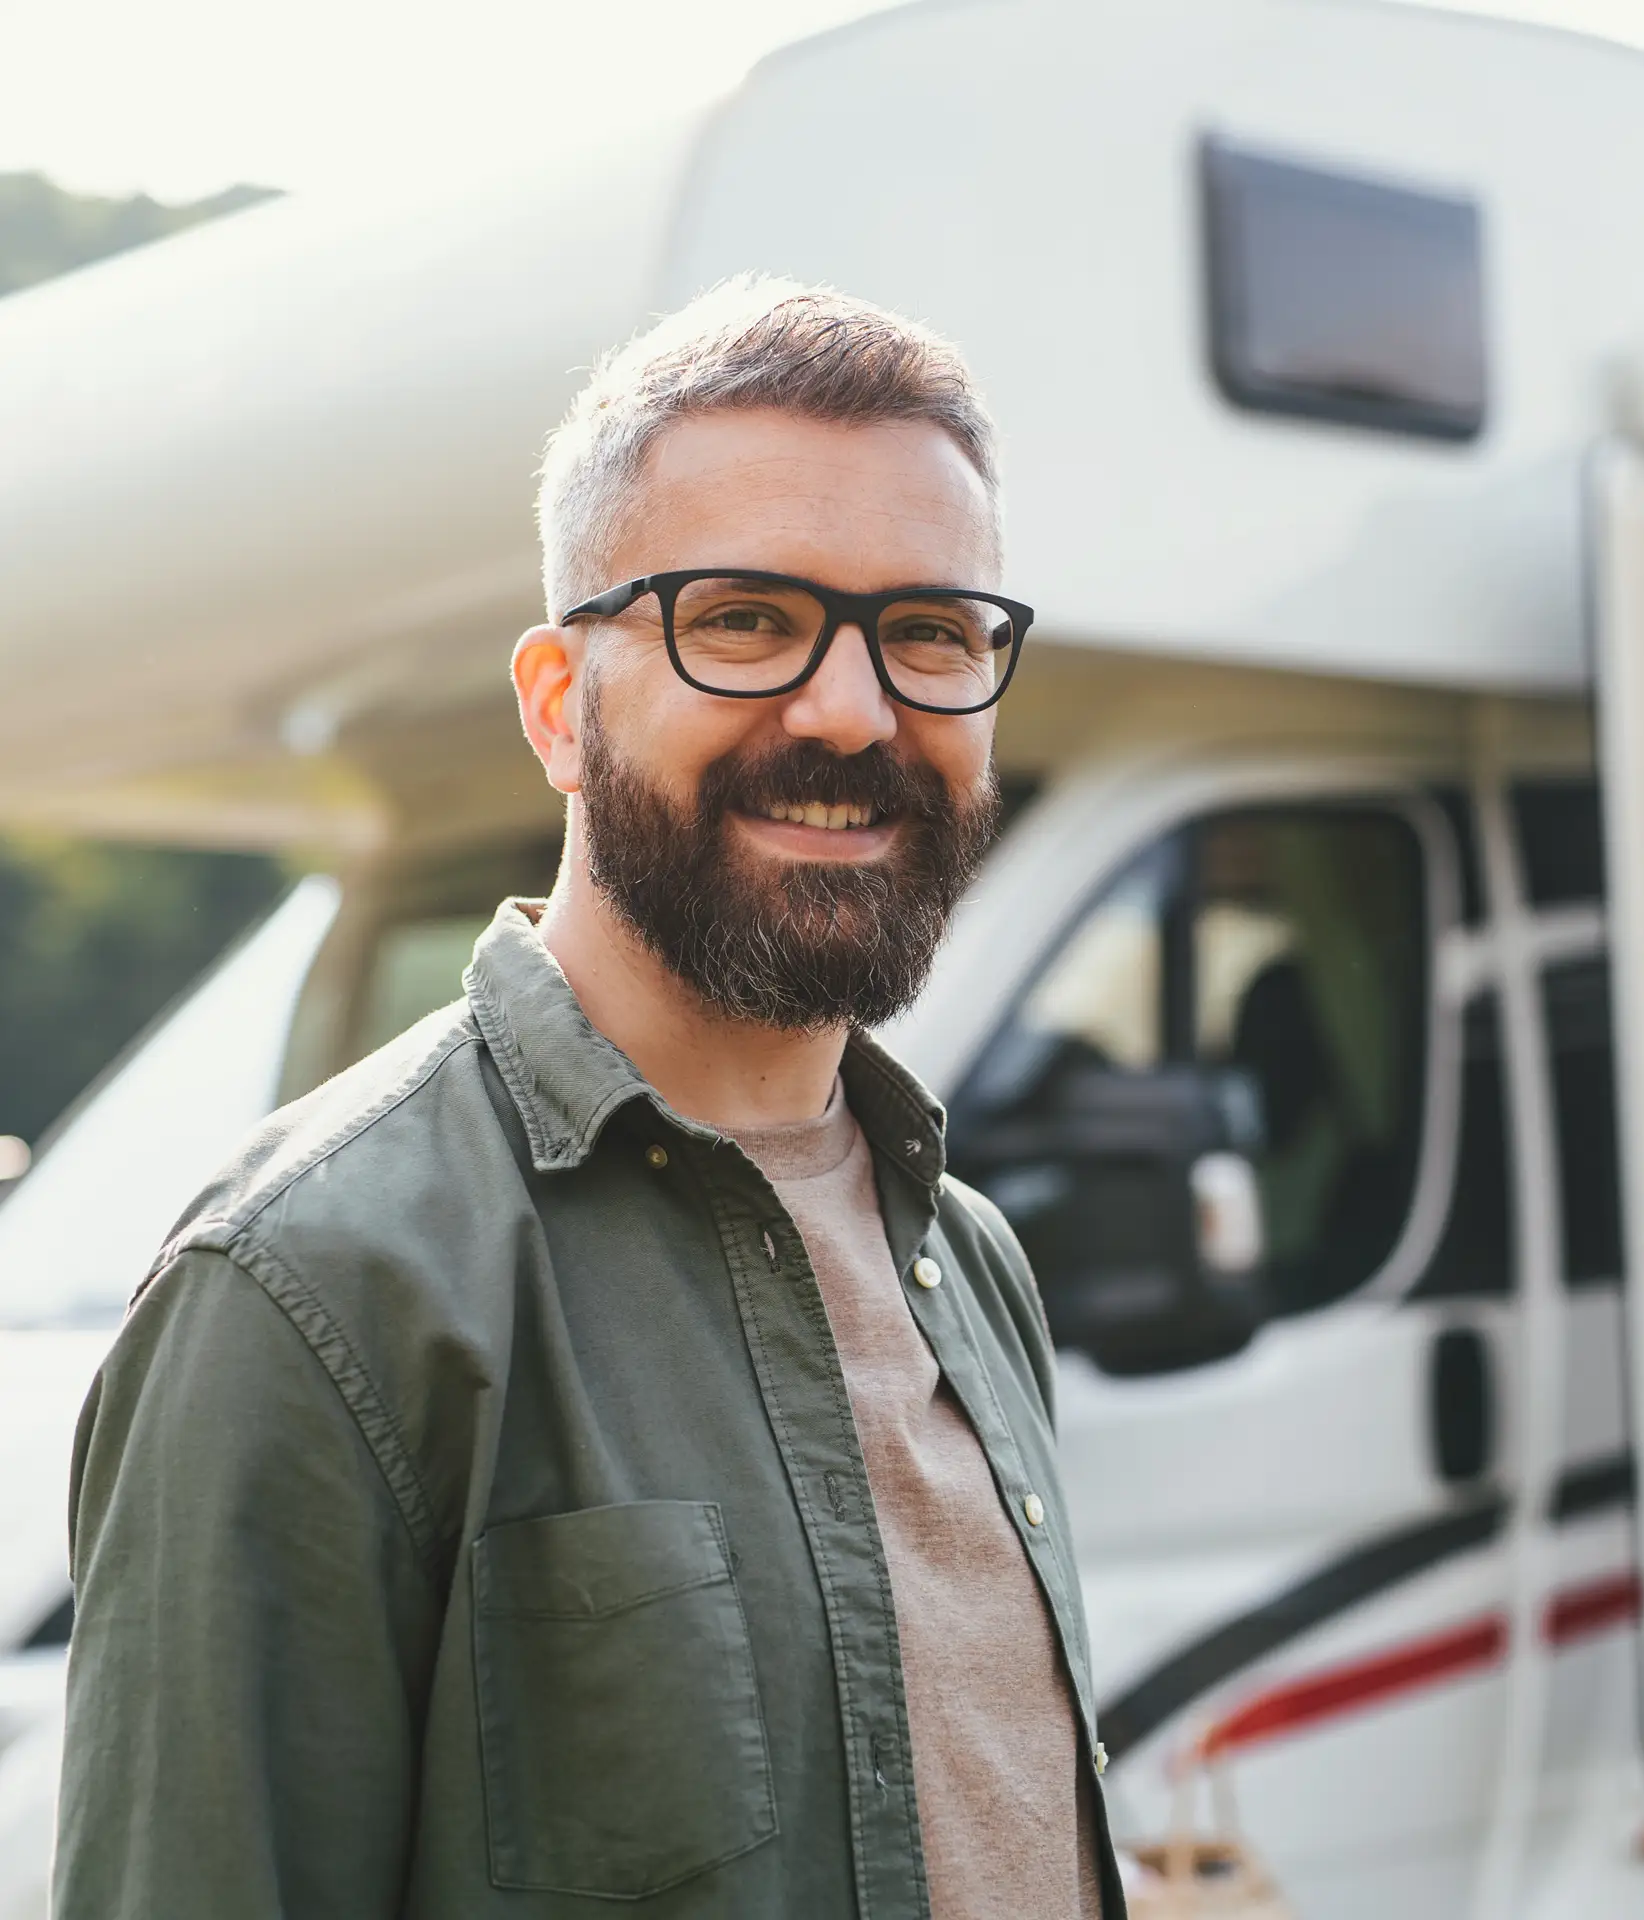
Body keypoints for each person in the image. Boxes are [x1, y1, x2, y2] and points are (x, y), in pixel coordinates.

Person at [55, 279, 1119, 1919]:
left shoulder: (971, 1264)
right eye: (746, 619)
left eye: (928, 633)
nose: (851, 710)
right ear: (561, 705)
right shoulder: (306, 1292)